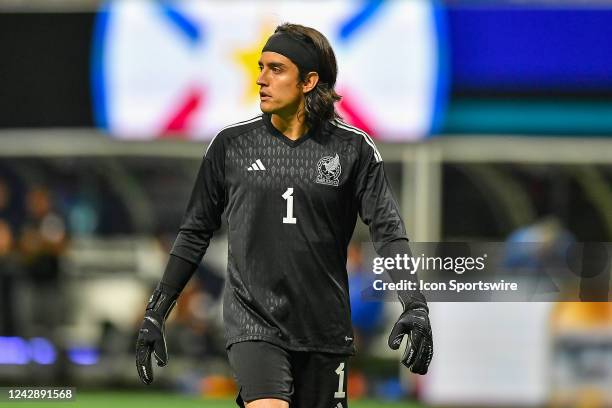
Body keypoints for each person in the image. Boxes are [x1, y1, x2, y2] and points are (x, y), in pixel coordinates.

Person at [136, 23, 433, 407]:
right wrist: (156, 312)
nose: (260, 78)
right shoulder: (232, 146)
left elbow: (388, 232)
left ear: (309, 81)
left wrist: (415, 303)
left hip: (325, 329)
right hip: (254, 324)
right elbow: (195, 232)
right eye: (261, 67)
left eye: (276, 69)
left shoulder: (353, 149)